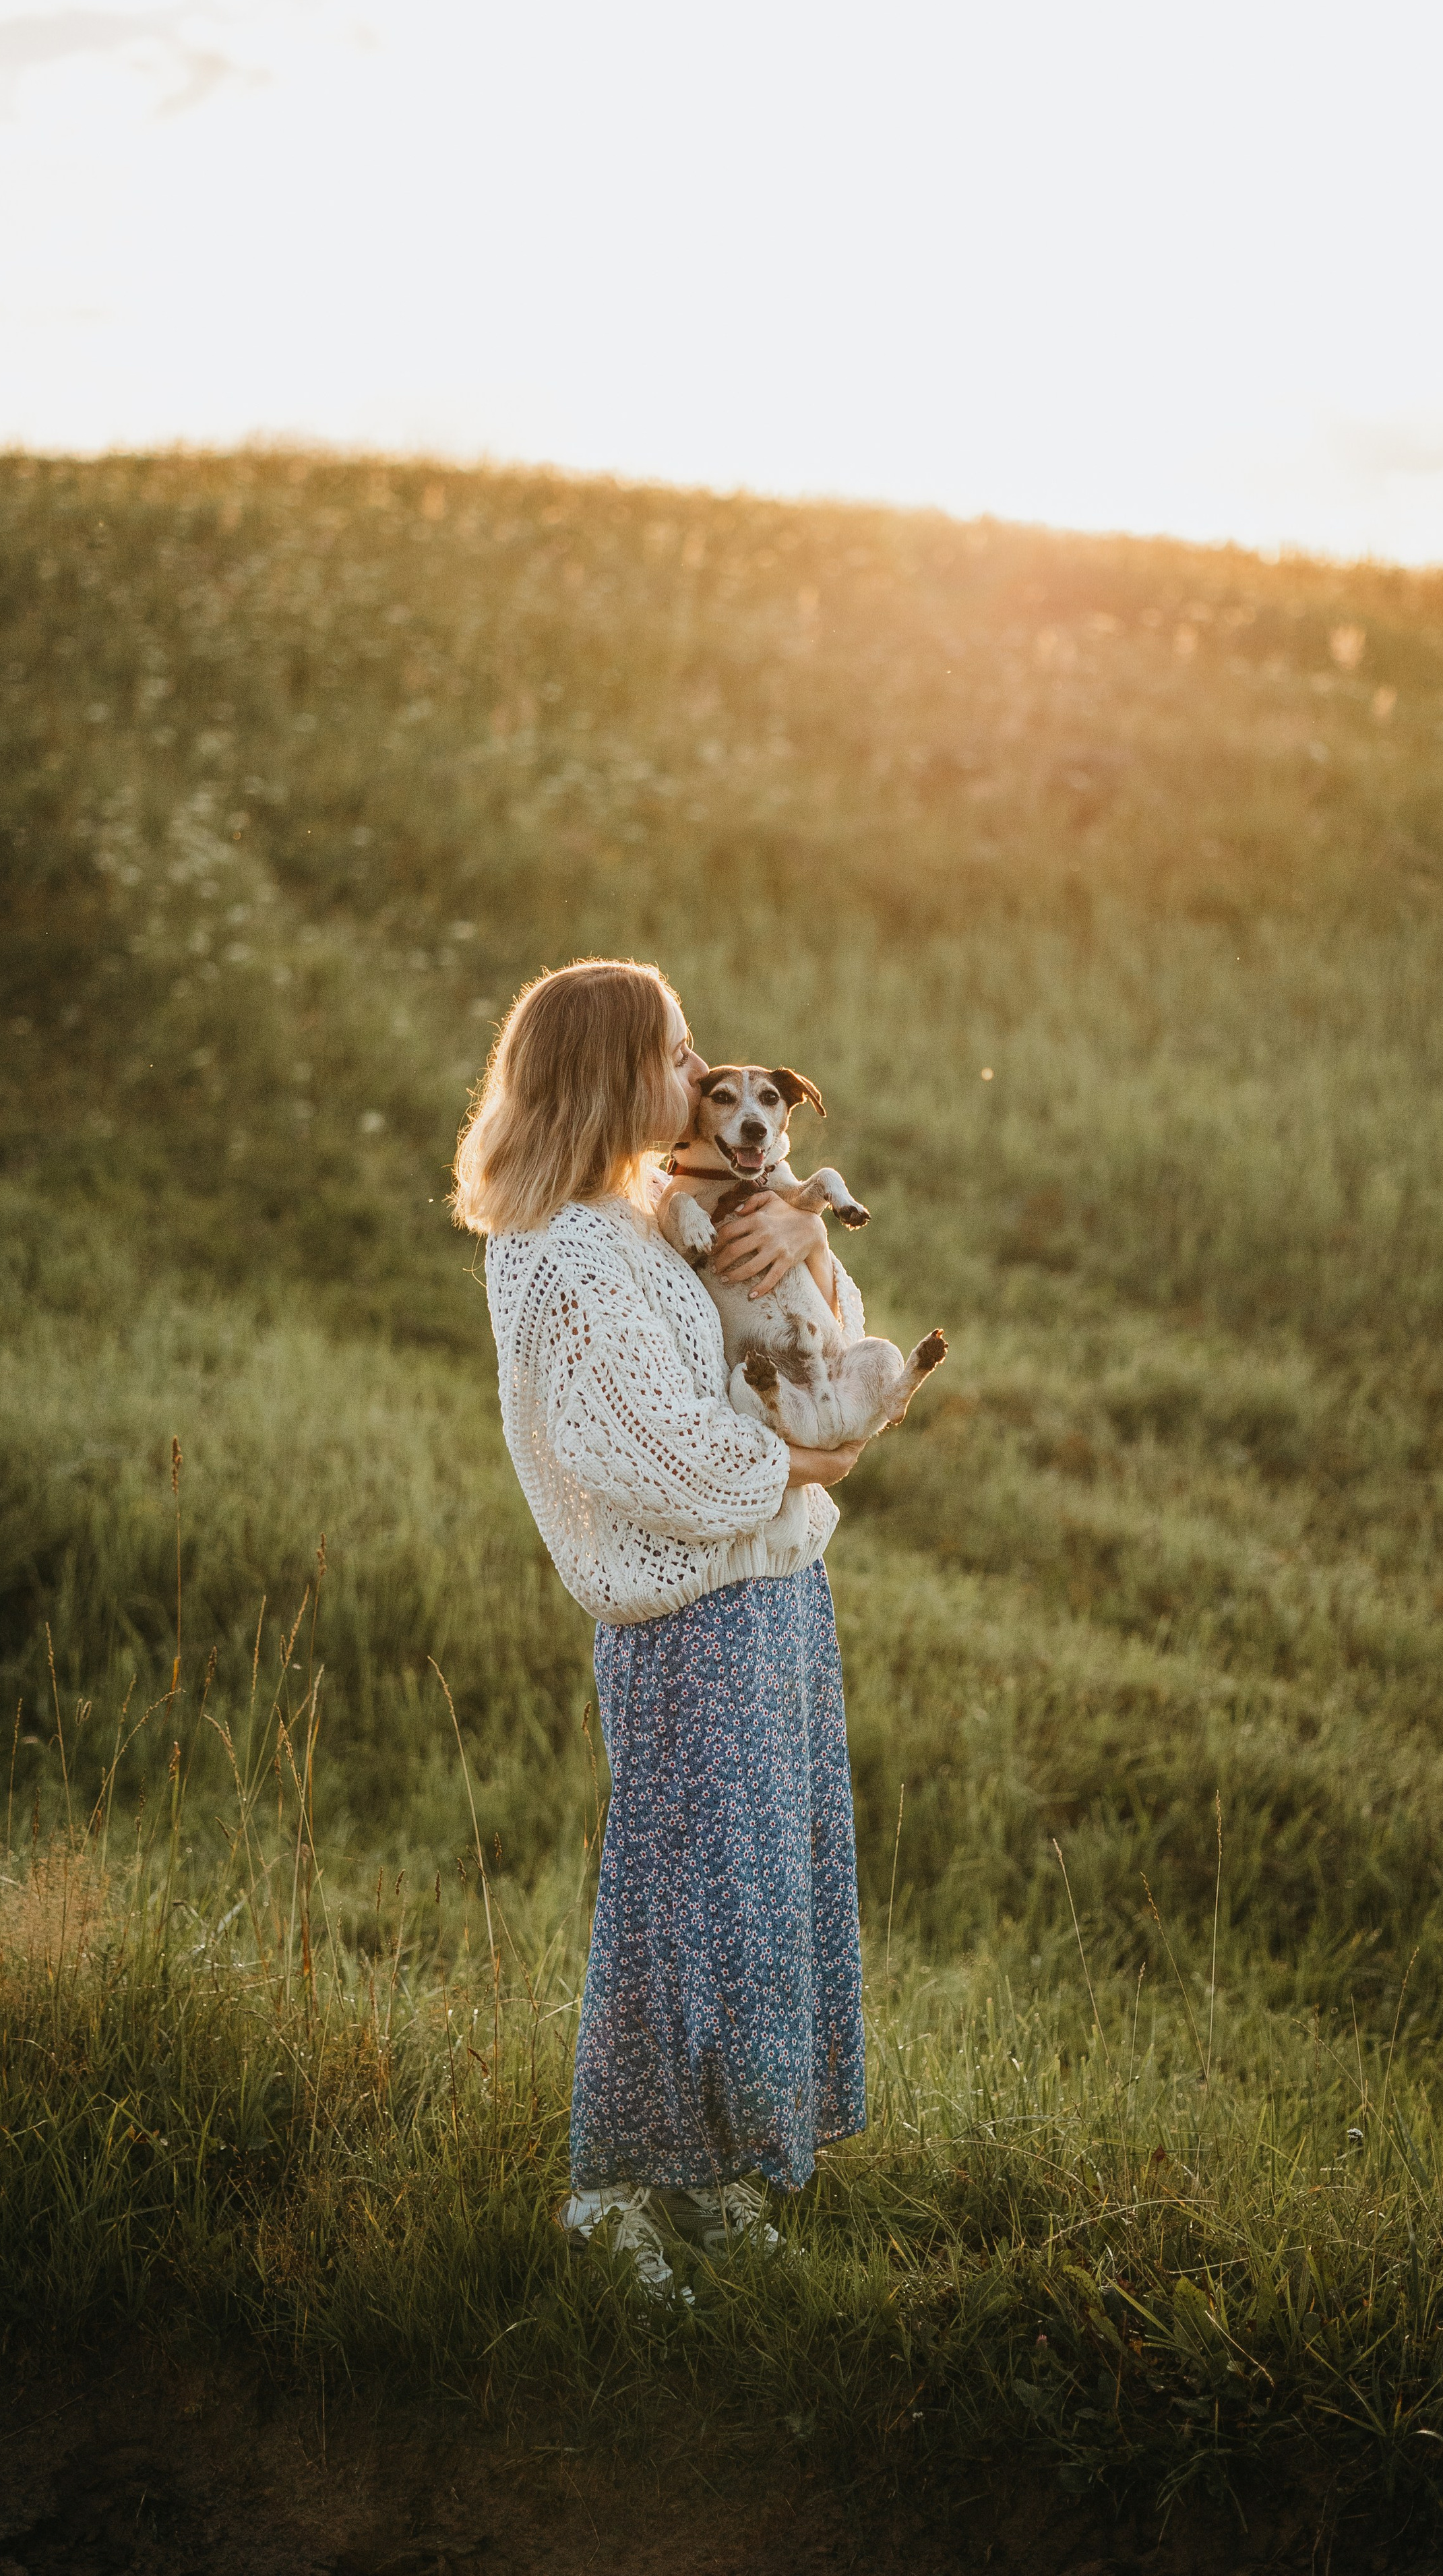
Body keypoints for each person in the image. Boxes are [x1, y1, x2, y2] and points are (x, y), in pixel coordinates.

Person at [451, 957, 871, 2295]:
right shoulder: (561, 1253)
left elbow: (804, 1341)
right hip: (687, 1618)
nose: (698, 1075)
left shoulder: (648, 1209)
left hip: (768, 1597)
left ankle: (710, 2174)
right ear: (605, 1072)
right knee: (672, 1912)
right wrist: (790, 1471)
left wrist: (806, 1240)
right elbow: (634, 1450)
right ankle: (610, 2192)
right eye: (676, 1050)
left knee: (754, 1904)